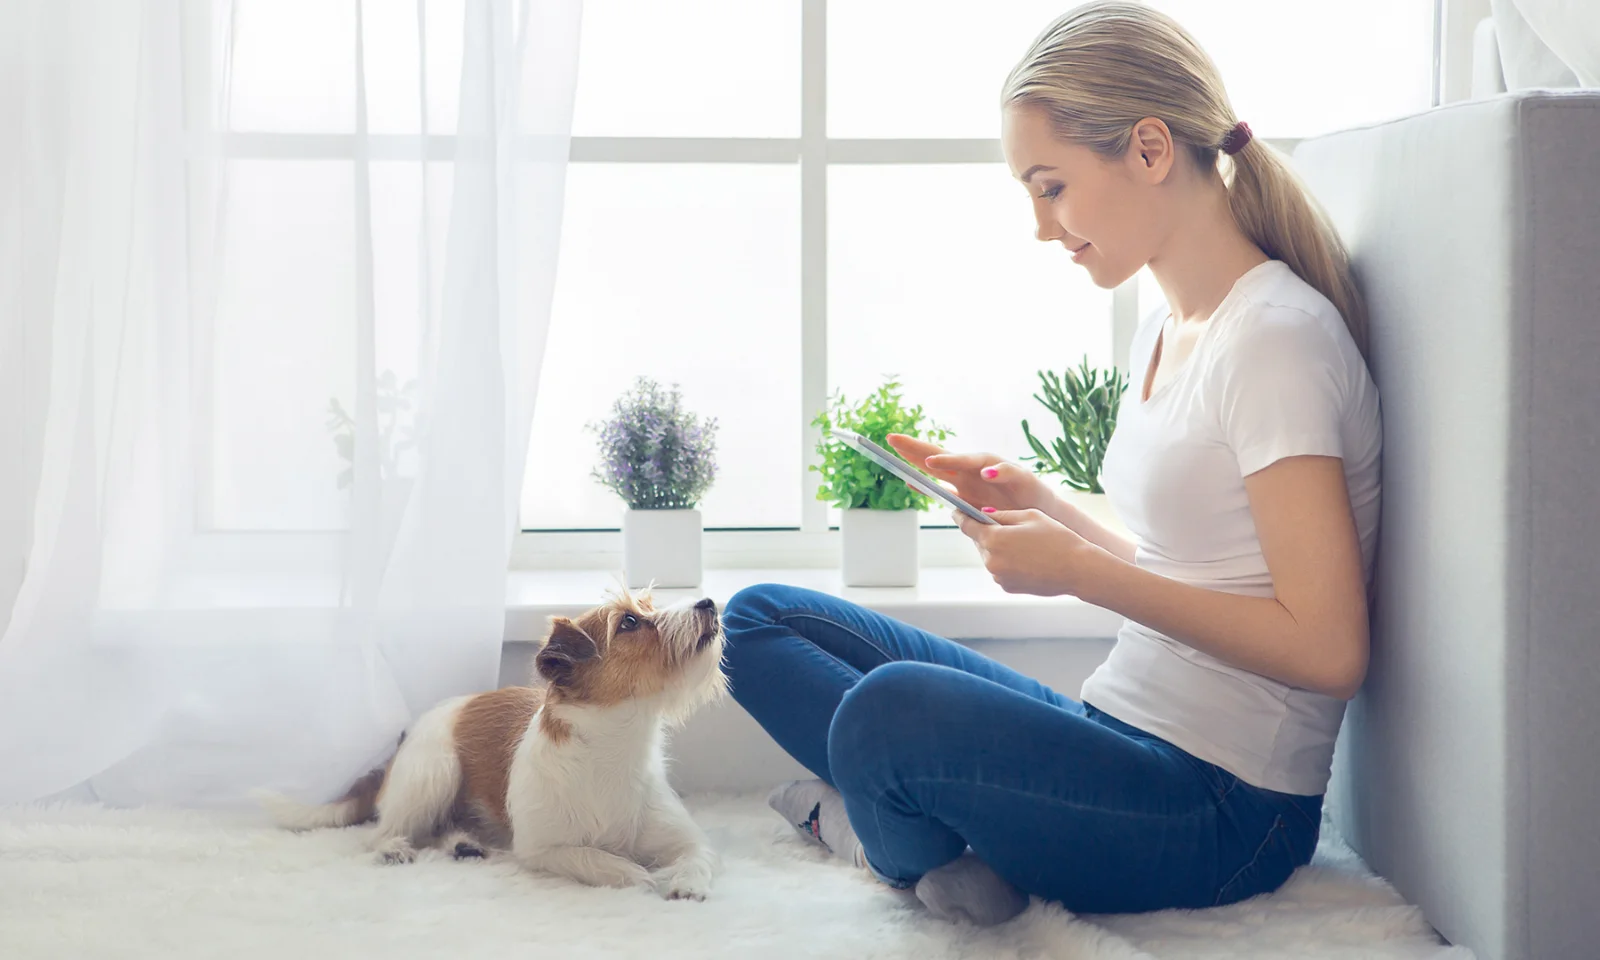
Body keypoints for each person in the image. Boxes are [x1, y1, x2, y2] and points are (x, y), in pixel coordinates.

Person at [722, 1, 1381, 926]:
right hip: (1121, 729)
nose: (1041, 226)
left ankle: (886, 843)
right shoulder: (1171, 325)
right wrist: (1035, 502)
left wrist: (1084, 577)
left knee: (886, 715)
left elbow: (1329, 649)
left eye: (1052, 186)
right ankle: (950, 840)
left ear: (1151, 150)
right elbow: (1190, 565)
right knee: (756, 624)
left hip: (1226, 810)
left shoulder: (1276, 342)